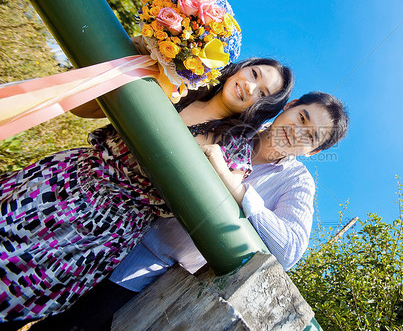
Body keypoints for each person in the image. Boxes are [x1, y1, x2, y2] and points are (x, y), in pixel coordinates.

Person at [0, 58, 294, 326]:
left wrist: (217, 162)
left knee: (18, 291)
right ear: (241, 68)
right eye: (253, 74)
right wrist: (140, 61)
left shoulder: (234, 151)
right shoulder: (179, 82)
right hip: (61, 182)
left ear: (263, 109)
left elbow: (221, 197)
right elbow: (83, 107)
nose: (250, 86)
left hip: (104, 230)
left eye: (263, 94)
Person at [27, 92, 350, 331]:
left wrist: (235, 186)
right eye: (302, 118)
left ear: (314, 151)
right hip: (103, 224)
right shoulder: (242, 122)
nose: (297, 131)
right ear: (290, 106)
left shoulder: (297, 181)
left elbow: (289, 249)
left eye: (310, 136)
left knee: (68, 326)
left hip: (145, 267)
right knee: (26, 293)